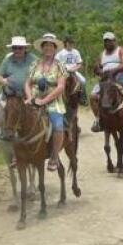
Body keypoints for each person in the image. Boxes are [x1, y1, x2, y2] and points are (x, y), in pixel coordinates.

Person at [24, 33, 67, 172]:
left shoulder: (60, 65)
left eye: (51, 46)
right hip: (34, 98)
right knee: (16, 117)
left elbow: (61, 86)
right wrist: (30, 97)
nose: (48, 48)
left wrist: (44, 101)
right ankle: (17, 152)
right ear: (42, 48)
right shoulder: (35, 64)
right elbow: (27, 83)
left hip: (53, 100)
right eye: (46, 45)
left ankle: (54, 155)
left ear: (55, 49)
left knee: (58, 125)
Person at [89, 32, 123, 134]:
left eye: (109, 41)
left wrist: (114, 70)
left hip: (121, 77)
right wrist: (99, 71)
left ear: (114, 41)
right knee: (92, 96)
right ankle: (98, 120)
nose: (107, 43)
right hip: (105, 80)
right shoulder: (102, 54)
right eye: (105, 41)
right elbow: (97, 66)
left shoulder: (121, 50)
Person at [56, 36, 88, 106]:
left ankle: (83, 98)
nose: (71, 44)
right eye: (69, 42)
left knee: (83, 81)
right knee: (55, 82)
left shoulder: (76, 52)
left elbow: (79, 63)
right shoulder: (60, 53)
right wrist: (63, 69)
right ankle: (55, 98)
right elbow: (56, 63)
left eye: (72, 43)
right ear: (66, 43)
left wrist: (75, 68)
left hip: (74, 71)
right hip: (63, 72)